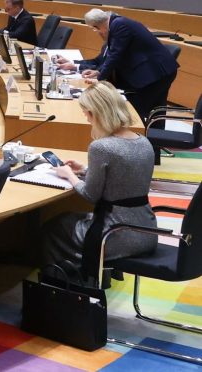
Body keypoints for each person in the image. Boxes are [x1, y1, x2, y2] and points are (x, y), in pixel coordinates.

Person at [42, 82, 156, 284]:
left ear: (96, 113)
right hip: (147, 230)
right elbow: (125, 179)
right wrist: (85, 170)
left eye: (86, 114)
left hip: (115, 234)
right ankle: (97, 277)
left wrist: (69, 175)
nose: (86, 119)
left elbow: (90, 195)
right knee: (70, 219)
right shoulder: (143, 141)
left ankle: (67, 287)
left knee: (54, 227)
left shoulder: (101, 147)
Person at [57, 9, 179, 122]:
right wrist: (99, 72)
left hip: (155, 72)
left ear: (96, 26)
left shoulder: (119, 25)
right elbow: (112, 56)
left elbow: (115, 55)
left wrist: (99, 79)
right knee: (156, 109)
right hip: (159, 70)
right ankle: (154, 136)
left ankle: (139, 135)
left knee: (137, 110)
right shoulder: (118, 23)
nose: (98, 33)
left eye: (95, 29)